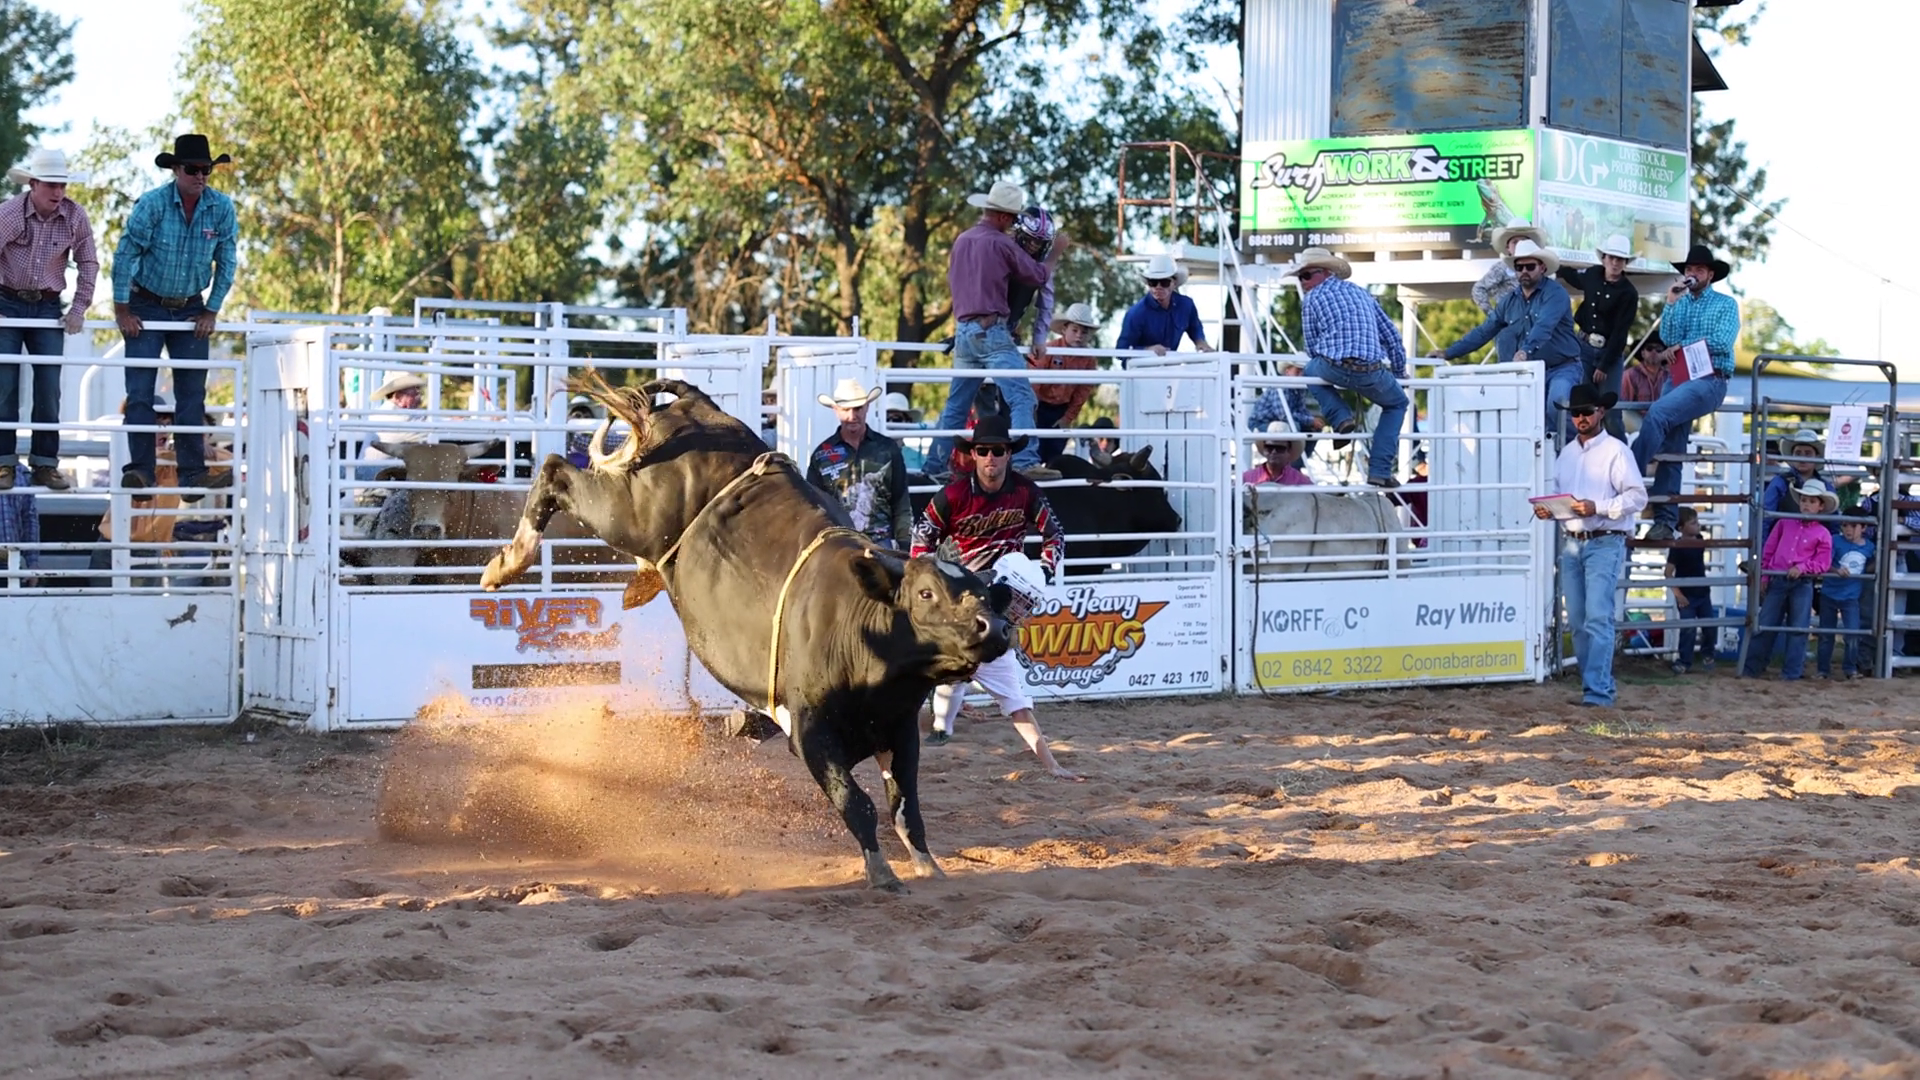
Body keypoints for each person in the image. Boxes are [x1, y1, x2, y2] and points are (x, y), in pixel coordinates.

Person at [908, 414, 1079, 779]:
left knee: (1009, 689)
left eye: (998, 451)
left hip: (999, 603)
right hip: (960, 603)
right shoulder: (953, 495)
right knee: (920, 672)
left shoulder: (1026, 492)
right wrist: (934, 583)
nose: (990, 458)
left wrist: (1043, 572)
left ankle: (1050, 764)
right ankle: (924, 729)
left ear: (1008, 454)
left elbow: (1055, 535)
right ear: (972, 454)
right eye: (983, 450)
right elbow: (921, 540)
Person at [111, 134, 240, 503]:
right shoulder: (152, 204)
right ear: (176, 170)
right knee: (139, 392)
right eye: (193, 169)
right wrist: (123, 308)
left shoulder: (221, 207)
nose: (200, 176)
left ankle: (193, 473)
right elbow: (125, 254)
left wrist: (211, 309)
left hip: (191, 307)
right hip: (146, 303)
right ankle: (141, 471)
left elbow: (227, 261)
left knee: (192, 393)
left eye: (206, 169)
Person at [930, 179, 1062, 481]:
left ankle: (933, 468)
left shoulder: (962, 240)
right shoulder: (1001, 244)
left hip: (964, 332)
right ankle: (1026, 461)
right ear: (1003, 216)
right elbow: (1037, 275)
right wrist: (1055, 254)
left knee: (956, 406)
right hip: (992, 332)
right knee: (1022, 397)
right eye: (1013, 218)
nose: (1013, 225)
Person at [1533, 384, 1646, 707]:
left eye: (1586, 412)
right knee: (1581, 620)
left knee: (1595, 617)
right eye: (1576, 413)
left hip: (1604, 540)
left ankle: (1597, 691)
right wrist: (1550, 510)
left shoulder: (1616, 451)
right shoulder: (1568, 454)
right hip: (1575, 541)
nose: (1580, 418)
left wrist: (1598, 507)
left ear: (1601, 412)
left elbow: (1638, 497)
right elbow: (1560, 496)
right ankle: (1595, 687)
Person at [0, 147, 97, 492]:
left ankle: (45, 463)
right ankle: (3, 462)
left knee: (48, 387)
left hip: (46, 305)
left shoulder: (74, 215)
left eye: (62, 185)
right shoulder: (9, 213)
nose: (58, 192)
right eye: (51, 185)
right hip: (6, 302)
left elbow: (88, 262)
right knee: (4, 384)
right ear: (33, 185)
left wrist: (79, 307)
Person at [1634, 244, 1741, 542]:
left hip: (1710, 379)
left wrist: (1682, 346)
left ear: (1710, 275)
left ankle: (1628, 473)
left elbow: (1722, 342)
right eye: (1689, 269)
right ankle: (1665, 522)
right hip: (1681, 377)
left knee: (1658, 413)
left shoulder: (1726, 304)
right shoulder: (1679, 303)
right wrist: (1670, 302)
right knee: (1673, 447)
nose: (1692, 273)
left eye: (1699, 270)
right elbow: (1667, 337)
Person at [1285, 247, 1408, 488]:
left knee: (1310, 370)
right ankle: (1380, 471)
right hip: (1371, 371)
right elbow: (1391, 336)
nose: (1303, 282)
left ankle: (1341, 417)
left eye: (1306, 276)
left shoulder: (1312, 299)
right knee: (1397, 404)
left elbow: (1312, 347)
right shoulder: (1362, 293)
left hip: (1334, 367)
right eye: (1300, 277)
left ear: (1325, 273)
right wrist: (1399, 372)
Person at [1432, 239, 1583, 436]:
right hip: (1529, 372)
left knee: (1557, 406)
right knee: (1523, 419)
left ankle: (1577, 448)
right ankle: (1548, 453)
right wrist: (1448, 353)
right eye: (1519, 267)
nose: (1524, 271)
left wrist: (1525, 351)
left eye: (1530, 266)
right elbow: (1484, 331)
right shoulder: (1509, 301)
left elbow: (1544, 326)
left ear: (1542, 268)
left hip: (1561, 367)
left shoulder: (1556, 293)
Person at [1742, 479, 1835, 680]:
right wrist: (1765, 576)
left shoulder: (1822, 533)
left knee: (1797, 629)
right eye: (1804, 500)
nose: (1806, 505)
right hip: (1778, 579)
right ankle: (1753, 668)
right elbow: (1769, 550)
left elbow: (1823, 563)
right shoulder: (1784, 523)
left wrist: (1802, 567)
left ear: (1820, 506)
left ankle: (1790, 673)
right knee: (1766, 624)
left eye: (1812, 501)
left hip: (1802, 582)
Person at [805, 377, 911, 548]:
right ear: (836, 410)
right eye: (846, 409)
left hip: (880, 542)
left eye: (858, 408)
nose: (852, 416)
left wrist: (905, 544)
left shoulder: (888, 449)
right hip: (838, 544)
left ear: (867, 407)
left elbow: (901, 501)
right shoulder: (821, 455)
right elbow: (812, 505)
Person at [1557, 234, 1640, 439]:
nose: (1615, 263)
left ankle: (1621, 454)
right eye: (1611, 257)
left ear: (1625, 263)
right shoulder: (1593, 274)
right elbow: (1575, 278)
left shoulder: (1628, 292)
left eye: (1620, 259)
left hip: (1609, 353)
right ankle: (1583, 451)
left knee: (1610, 413)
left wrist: (1604, 365)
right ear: (1604, 258)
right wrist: (1554, 265)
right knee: (1582, 406)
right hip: (1584, 347)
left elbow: (1620, 332)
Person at [1030, 301, 1099, 464]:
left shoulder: (1089, 360)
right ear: (1064, 330)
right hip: (1039, 406)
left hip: (1061, 410)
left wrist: (1067, 418)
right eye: (1075, 330)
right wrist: (1031, 410)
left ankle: (1051, 476)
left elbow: (1082, 393)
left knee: (1055, 454)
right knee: (1033, 450)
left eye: (1084, 332)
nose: (1079, 335)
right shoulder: (1048, 350)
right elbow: (1033, 382)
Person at [1816, 504, 1874, 680]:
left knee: (1852, 634)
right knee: (1826, 635)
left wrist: (1873, 567)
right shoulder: (1835, 540)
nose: (1848, 529)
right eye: (1845, 525)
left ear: (1863, 527)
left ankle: (1850, 668)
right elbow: (1824, 562)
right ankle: (1823, 670)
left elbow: (1869, 566)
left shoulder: (1870, 547)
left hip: (1850, 597)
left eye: (1853, 525)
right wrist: (1836, 570)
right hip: (1829, 594)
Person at [1664, 506, 1716, 675]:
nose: (1697, 525)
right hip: (1686, 595)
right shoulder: (1677, 546)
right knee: (1688, 629)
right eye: (1693, 523)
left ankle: (1708, 654)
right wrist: (1678, 594)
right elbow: (1668, 572)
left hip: (1702, 592)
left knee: (1710, 626)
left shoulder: (1700, 540)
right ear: (1681, 528)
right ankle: (1684, 661)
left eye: (1697, 522)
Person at [1760, 430, 1828, 547]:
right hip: (1783, 547)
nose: (1802, 458)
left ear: (1816, 456)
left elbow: (1832, 523)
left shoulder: (1825, 485)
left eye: (1808, 453)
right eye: (1798, 453)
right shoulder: (1780, 482)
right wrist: (1765, 549)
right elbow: (1765, 518)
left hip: (1815, 548)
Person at [1471, 224, 1546, 317]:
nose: (1519, 245)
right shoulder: (1502, 267)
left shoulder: (1539, 266)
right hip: (1509, 319)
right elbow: (1478, 289)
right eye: (1515, 242)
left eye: (1523, 241)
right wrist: (1492, 315)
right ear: (1508, 248)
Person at [1618, 336, 1668, 433]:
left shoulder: (1669, 377)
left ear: (1664, 354)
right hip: (1638, 424)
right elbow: (1625, 408)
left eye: (1658, 350)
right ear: (1642, 353)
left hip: (1663, 422)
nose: (1654, 352)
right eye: (1649, 349)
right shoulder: (1630, 375)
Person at [1242, 421, 1312, 486]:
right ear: (1264, 449)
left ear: (1289, 451)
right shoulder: (1245, 479)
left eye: (1279, 448)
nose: (1274, 452)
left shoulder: (1303, 482)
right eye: (1269, 447)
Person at [878, 391, 928, 473]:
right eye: (886, 419)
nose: (890, 423)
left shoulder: (920, 459)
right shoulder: (870, 454)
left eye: (897, 419)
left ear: (908, 422)